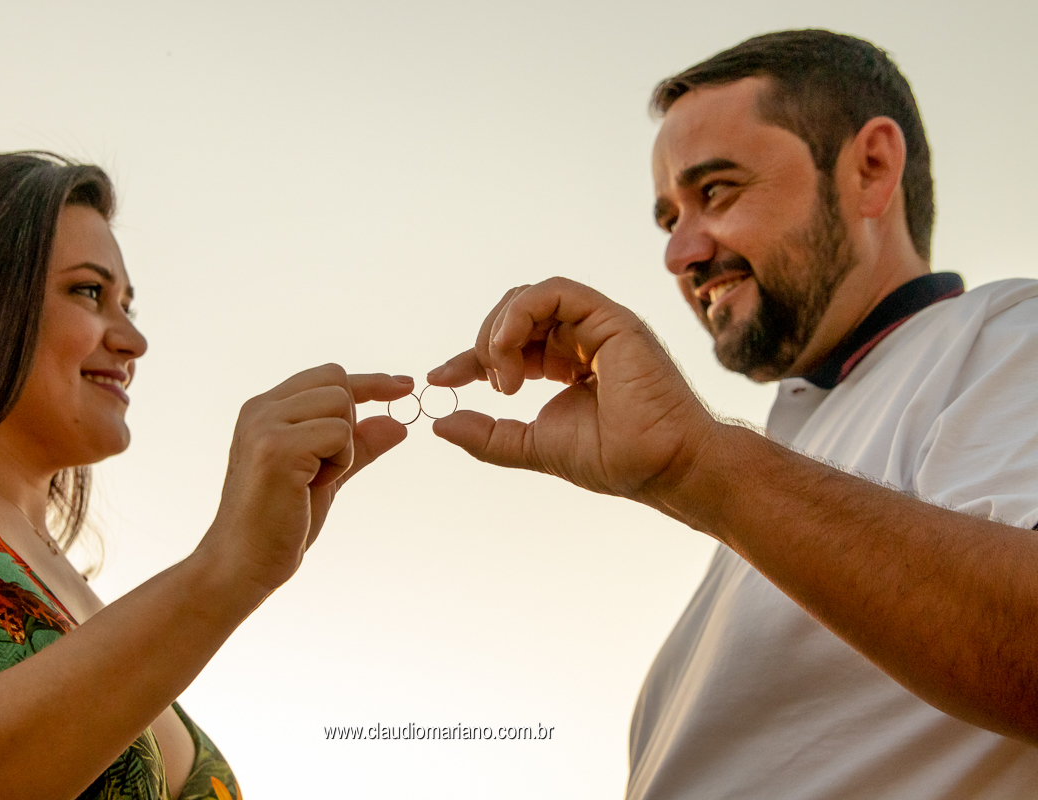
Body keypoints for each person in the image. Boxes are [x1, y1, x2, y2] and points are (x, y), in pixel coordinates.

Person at [428, 30, 1038, 798]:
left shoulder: (1008, 335)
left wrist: (698, 463)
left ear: (871, 169)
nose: (679, 253)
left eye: (716, 191)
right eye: (668, 219)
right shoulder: (804, 440)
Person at [0, 152, 414, 800]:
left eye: (128, 305)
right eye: (89, 292)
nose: (134, 342)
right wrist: (227, 569)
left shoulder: (81, 597)